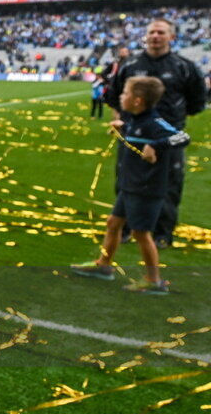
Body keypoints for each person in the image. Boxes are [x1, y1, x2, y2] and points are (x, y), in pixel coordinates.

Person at [72, 76, 190, 294]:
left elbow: (183, 137)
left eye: (125, 93)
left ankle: (154, 280)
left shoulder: (154, 123)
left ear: (137, 100)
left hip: (146, 189)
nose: (121, 96)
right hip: (130, 186)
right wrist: (123, 126)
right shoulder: (134, 119)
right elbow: (136, 134)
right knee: (113, 224)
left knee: (141, 234)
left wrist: (156, 145)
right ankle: (104, 265)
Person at [105, 18, 205, 248]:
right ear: (146, 36)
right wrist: (121, 119)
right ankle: (126, 228)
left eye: (161, 32)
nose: (155, 36)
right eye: (151, 32)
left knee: (169, 185)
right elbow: (112, 95)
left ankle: (162, 233)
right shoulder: (130, 65)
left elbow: (197, 101)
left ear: (171, 36)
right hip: (133, 137)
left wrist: (170, 122)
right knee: (126, 182)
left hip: (167, 139)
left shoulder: (184, 66)